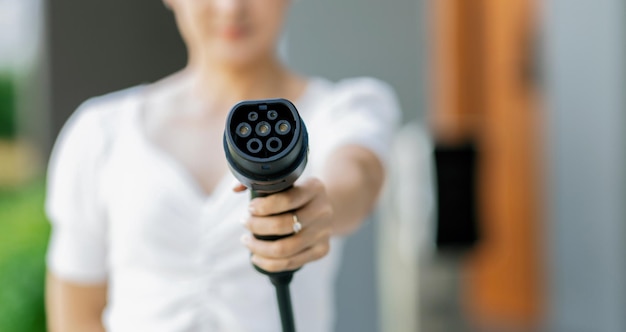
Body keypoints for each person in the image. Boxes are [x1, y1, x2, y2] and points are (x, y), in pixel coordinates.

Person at [44, 1, 400, 331]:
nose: (231, 7)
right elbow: (77, 311)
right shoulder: (100, 133)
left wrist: (320, 209)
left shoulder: (346, 109)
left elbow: (358, 176)